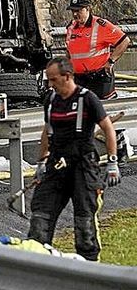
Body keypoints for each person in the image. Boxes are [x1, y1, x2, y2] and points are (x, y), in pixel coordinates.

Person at [29, 57, 120, 262]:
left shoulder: (87, 99)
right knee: (40, 217)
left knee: (84, 222)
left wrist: (112, 162)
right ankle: (37, 267)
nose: (50, 84)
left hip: (84, 165)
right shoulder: (51, 101)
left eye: (53, 80)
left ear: (67, 76)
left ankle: (89, 269)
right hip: (56, 165)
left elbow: (108, 128)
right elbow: (47, 131)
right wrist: (41, 162)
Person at [65, 0, 131, 163]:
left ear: (88, 9)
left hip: (100, 78)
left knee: (107, 114)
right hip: (80, 78)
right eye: (73, 11)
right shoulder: (71, 27)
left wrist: (110, 62)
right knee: (80, 116)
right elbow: (70, 52)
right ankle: (86, 153)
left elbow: (124, 41)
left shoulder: (100, 25)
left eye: (78, 11)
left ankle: (120, 149)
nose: (75, 15)